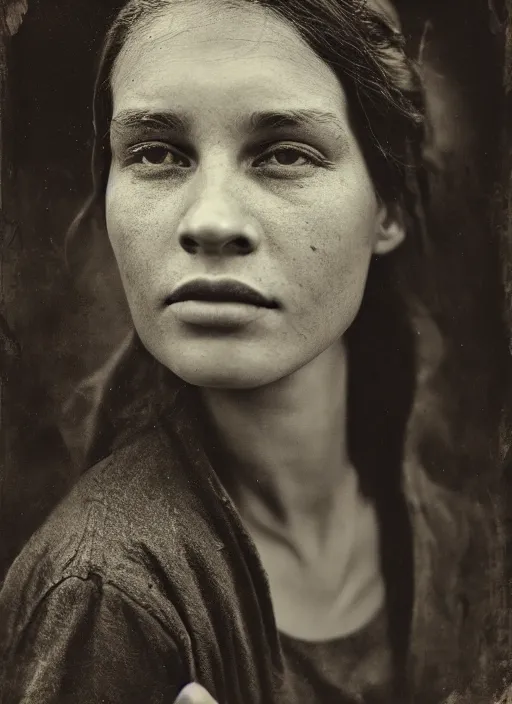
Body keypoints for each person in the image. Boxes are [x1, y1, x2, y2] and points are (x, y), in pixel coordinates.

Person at [0, 0, 505, 702]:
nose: (210, 221)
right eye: (156, 153)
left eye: (284, 154)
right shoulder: (106, 592)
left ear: (386, 206)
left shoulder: (464, 540)